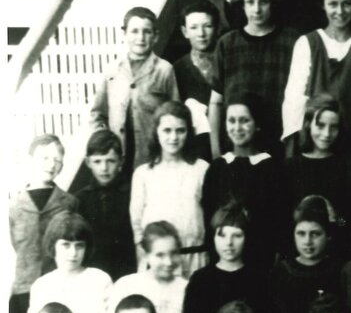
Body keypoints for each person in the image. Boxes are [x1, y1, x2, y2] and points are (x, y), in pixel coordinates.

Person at [210, 0, 299, 157]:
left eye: (263, 1)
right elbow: (216, 102)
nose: (257, 9)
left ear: (273, 2)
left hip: (279, 146)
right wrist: (216, 150)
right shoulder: (227, 43)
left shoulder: (292, 41)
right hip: (236, 146)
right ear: (242, 4)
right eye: (250, 2)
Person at [181, 203, 272, 313]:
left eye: (237, 235)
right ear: (213, 237)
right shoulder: (200, 280)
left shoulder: (259, 279)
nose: (228, 243)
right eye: (221, 235)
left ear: (247, 238)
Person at [10, 134, 78, 313]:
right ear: (30, 160)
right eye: (44, 158)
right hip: (23, 291)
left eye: (57, 159)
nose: (51, 164)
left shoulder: (69, 203)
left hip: (59, 288)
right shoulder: (13, 207)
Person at [281, 0, 351, 147]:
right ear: (323, 4)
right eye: (333, 4)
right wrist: (298, 144)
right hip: (314, 144)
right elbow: (294, 100)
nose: (340, 11)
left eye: (347, 4)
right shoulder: (307, 44)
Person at [89, 7, 179, 173]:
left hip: (153, 160)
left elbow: (176, 117)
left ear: (155, 36)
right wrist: (104, 144)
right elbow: (97, 115)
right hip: (117, 163)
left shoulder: (165, 70)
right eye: (134, 31)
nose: (140, 38)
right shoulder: (112, 71)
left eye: (146, 32)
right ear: (124, 34)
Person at [201, 91, 283, 269]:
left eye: (244, 120)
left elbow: (277, 220)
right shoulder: (218, 168)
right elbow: (209, 217)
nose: (237, 127)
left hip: (260, 260)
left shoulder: (270, 168)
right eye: (231, 121)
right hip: (223, 260)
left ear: (257, 124)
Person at [129, 101, 210, 278]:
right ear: (156, 132)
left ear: (189, 132)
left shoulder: (201, 169)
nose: (173, 137)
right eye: (167, 130)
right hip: (157, 262)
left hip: (194, 257)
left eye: (180, 130)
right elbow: (137, 223)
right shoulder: (143, 174)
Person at [281, 96, 351, 260]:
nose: (326, 133)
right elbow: (281, 221)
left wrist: (335, 217)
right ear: (308, 124)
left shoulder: (346, 167)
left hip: (335, 258)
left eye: (333, 127)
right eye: (321, 125)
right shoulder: (290, 167)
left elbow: (348, 223)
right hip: (296, 258)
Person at [27, 212, 111, 313]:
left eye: (79, 246)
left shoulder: (100, 280)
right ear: (53, 246)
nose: (73, 253)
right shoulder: (41, 286)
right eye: (66, 245)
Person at [270, 196, 342, 313]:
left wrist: (337, 218)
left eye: (315, 234)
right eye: (301, 234)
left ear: (328, 235)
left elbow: (345, 222)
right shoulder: (283, 271)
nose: (307, 241)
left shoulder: (337, 270)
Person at [111, 221, 189, 313]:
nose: (169, 262)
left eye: (174, 253)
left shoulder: (187, 289)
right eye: (160, 255)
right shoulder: (126, 285)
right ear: (146, 255)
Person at [75, 130, 137, 281]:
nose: (104, 168)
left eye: (110, 161)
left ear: (121, 161)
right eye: (97, 161)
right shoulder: (80, 199)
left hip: (128, 273)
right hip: (93, 277)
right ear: (88, 162)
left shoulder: (133, 193)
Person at [173, 0, 222, 161]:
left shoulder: (228, 61)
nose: (201, 34)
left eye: (207, 26)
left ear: (216, 28)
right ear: (185, 31)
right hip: (195, 151)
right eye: (193, 27)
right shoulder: (177, 70)